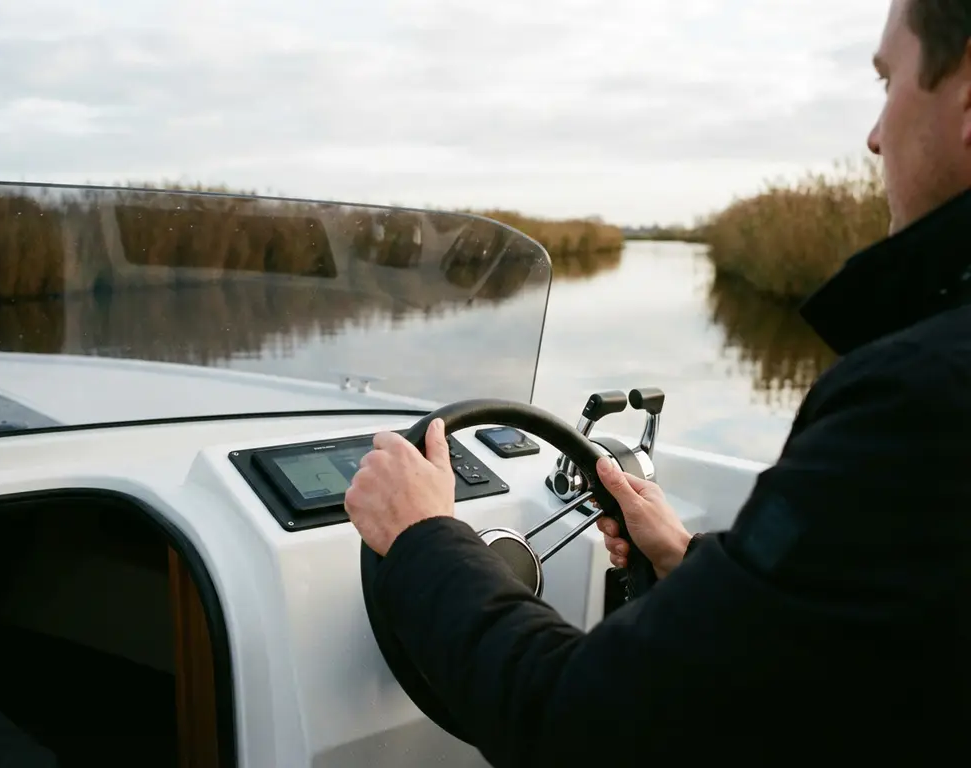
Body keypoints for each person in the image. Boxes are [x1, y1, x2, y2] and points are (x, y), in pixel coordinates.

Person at [344, 0, 971, 764]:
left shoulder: (921, 402)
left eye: (887, 83)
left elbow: (587, 727)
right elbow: (849, 623)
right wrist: (684, 557)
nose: (875, 136)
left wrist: (422, 539)